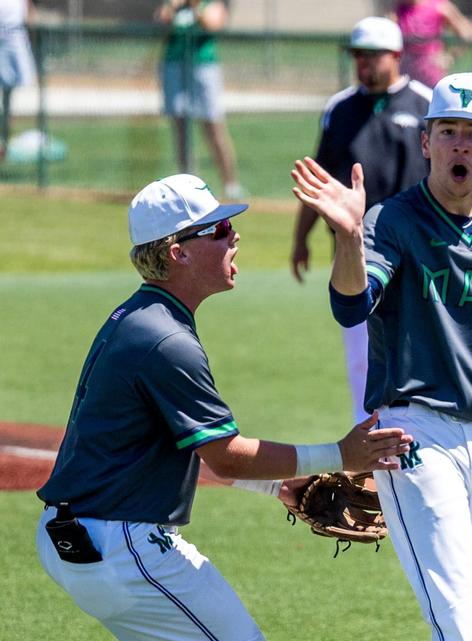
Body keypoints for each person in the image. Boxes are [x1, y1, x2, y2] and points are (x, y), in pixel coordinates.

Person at [35, 174, 412, 641]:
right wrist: (340, 454)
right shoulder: (167, 340)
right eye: (216, 230)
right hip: (121, 546)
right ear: (178, 253)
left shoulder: (137, 318)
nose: (234, 235)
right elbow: (224, 454)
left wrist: (277, 485)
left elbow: (193, 448)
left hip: (85, 541)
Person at [291, 71, 472, 641]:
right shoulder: (392, 222)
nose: (459, 144)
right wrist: (350, 239)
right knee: (463, 627)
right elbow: (352, 308)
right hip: (414, 437)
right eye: (447, 130)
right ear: (425, 142)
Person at [291, 16, 431, 424]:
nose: (364, 64)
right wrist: (301, 239)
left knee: (418, 343)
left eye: (373, 55)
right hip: (355, 250)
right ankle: (365, 432)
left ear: (396, 56)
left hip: (416, 249)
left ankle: (419, 424)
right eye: (358, 56)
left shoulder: (425, 103)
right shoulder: (340, 108)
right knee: (359, 348)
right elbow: (320, 178)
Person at [156, 0, 244, 199]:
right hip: (174, 64)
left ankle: (230, 184)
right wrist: (174, 6)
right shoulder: (175, 3)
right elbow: (162, 19)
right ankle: (189, 185)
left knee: (213, 127)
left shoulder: (211, 4)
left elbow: (212, 23)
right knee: (181, 129)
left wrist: (195, 6)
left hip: (203, 65)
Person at [392, 0, 472, 87]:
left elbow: (468, 33)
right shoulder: (400, 8)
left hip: (430, 73)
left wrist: (450, 57)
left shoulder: (439, 6)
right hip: (406, 71)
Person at [0, 0, 36, 162]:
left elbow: (29, 11)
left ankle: (7, 139)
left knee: (18, 89)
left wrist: (31, 33)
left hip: (17, 37)